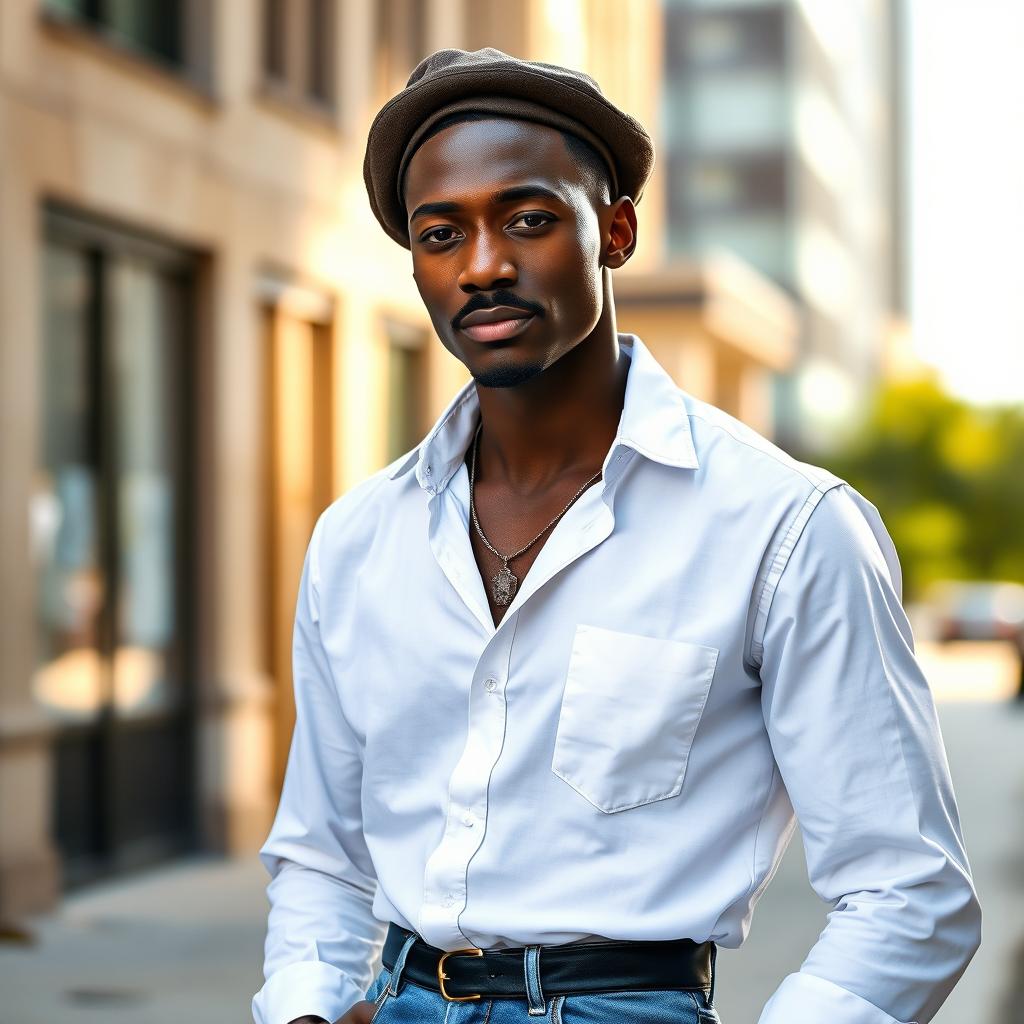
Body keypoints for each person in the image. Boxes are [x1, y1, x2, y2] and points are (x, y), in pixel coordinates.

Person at [252, 48, 981, 1024]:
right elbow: (322, 852)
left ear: (616, 229)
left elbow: (909, 893)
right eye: (440, 233)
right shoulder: (355, 540)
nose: (482, 266)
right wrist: (305, 1008)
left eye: (527, 219)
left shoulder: (785, 529)